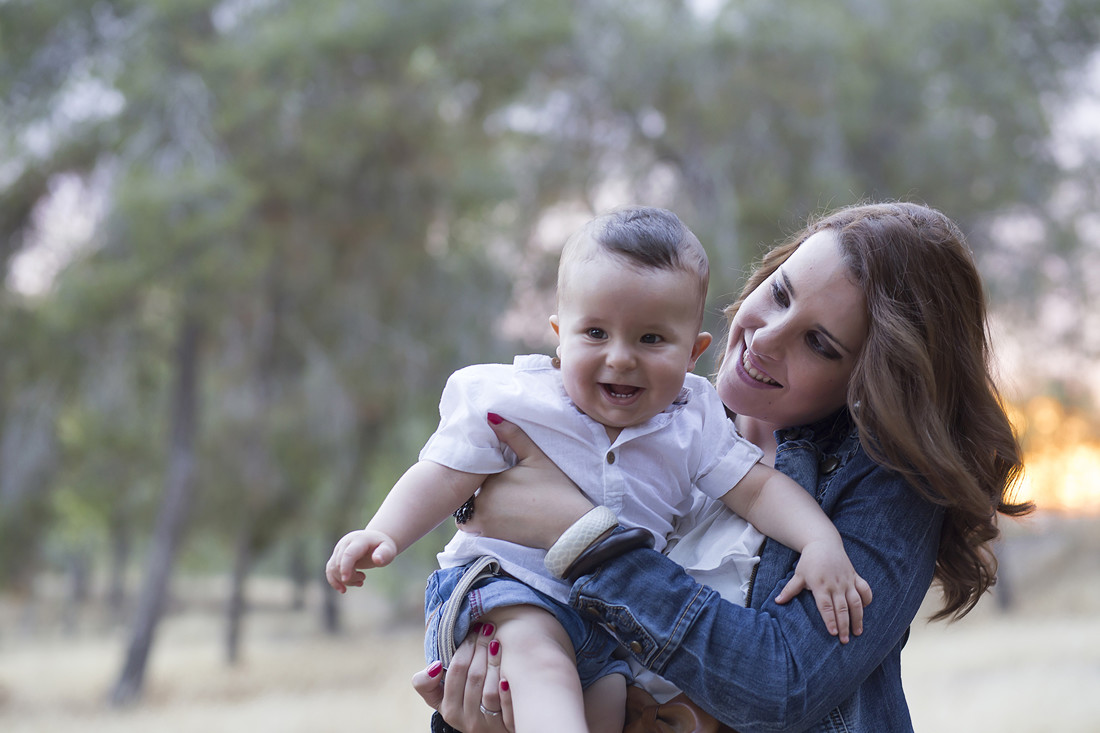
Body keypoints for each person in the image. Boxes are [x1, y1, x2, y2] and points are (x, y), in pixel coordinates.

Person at [412, 201, 1033, 733]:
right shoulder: (661, 419)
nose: (764, 338)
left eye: (820, 343)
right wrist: (477, 715)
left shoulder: (882, 486)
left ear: (869, 375)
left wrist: (581, 535)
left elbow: (783, 683)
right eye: (781, 294)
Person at [327, 206, 872, 733]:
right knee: (542, 671)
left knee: (610, 710)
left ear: (692, 352)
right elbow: (443, 474)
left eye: (651, 339)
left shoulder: (695, 422)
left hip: (609, 627)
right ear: (558, 334)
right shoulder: (518, 402)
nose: (620, 357)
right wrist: (383, 533)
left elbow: (756, 491)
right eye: (594, 334)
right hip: (512, 594)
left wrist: (820, 539)